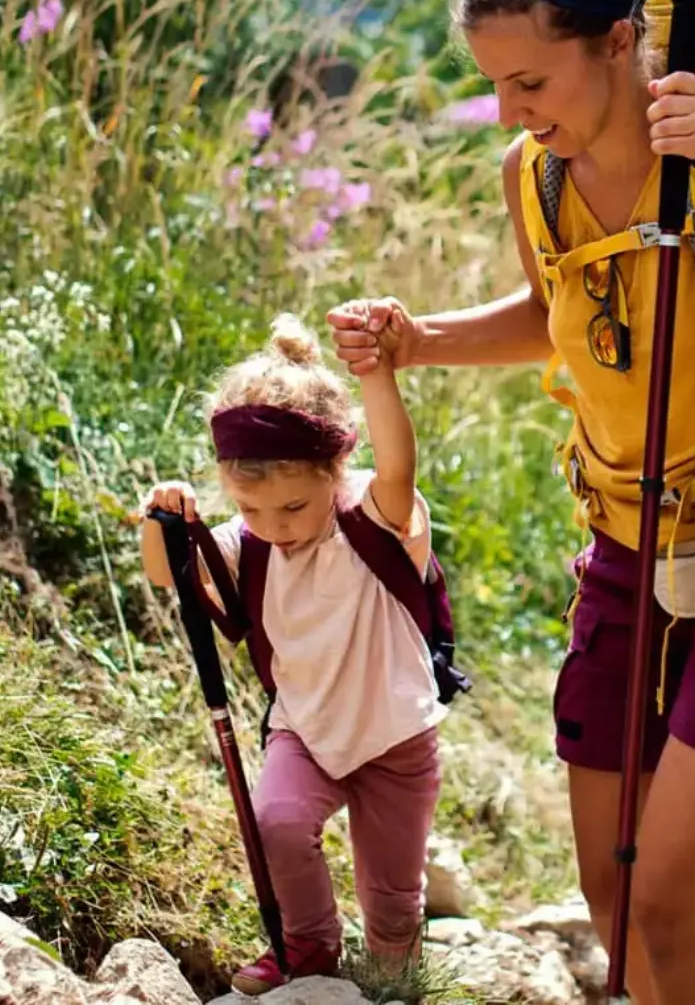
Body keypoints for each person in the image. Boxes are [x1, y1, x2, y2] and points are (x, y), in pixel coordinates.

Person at [325, 0, 695, 996]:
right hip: (629, 554)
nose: (510, 109)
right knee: (615, 900)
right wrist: (423, 339)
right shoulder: (535, 175)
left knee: (673, 905)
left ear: (621, 40)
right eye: (495, 84)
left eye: (530, 78)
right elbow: (563, 312)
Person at [137, 312, 445, 995]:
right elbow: (168, 573)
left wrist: (376, 373)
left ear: (337, 471)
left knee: (393, 897)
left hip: (396, 736)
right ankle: (310, 947)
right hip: (304, 726)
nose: (275, 528)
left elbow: (398, 462)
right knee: (277, 820)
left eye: (295, 508)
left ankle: (397, 977)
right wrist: (159, 518)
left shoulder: (373, 517)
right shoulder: (248, 547)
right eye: (251, 509)